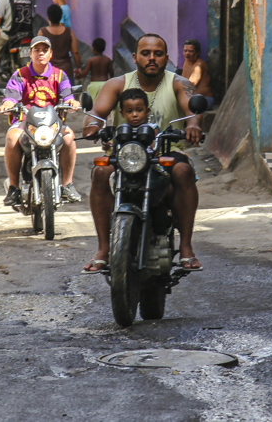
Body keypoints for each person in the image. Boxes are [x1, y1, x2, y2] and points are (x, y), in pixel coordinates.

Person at [81, 34, 203, 273]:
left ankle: (186, 247)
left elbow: (193, 110)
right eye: (146, 53)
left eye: (158, 54)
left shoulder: (179, 82)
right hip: (125, 152)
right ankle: (103, 249)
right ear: (135, 57)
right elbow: (97, 111)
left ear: (166, 58)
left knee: (183, 171)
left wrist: (193, 125)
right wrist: (93, 126)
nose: (151, 58)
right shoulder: (117, 84)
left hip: (166, 152)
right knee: (100, 172)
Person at [0, 36, 82, 206]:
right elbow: (11, 97)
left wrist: (72, 102)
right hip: (25, 122)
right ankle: (14, 187)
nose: (40, 53)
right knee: (12, 137)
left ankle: (67, 185)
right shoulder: (20, 75)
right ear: (30, 53)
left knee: (69, 137)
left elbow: (67, 96)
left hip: (53, 124)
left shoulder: (60, 75)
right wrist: (6, 104)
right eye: (37, 50)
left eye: (44, 50)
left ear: (50, 54)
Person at [37, 4, 80, 78]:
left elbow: (37, 53)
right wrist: (78, 67)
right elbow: (75, 51)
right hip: (66, 71)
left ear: (48, 17)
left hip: (48, 72)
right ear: (60, 17)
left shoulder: (42, 32)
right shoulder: (69, 32)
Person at [181, 39, 214, 111]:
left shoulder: (199, 66)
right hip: (191, 99)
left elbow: (190, 84)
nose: (187, 53)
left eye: (190, 51)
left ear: (197, 53)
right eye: (185, 51)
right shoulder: (186, 62)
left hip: (203, 100)